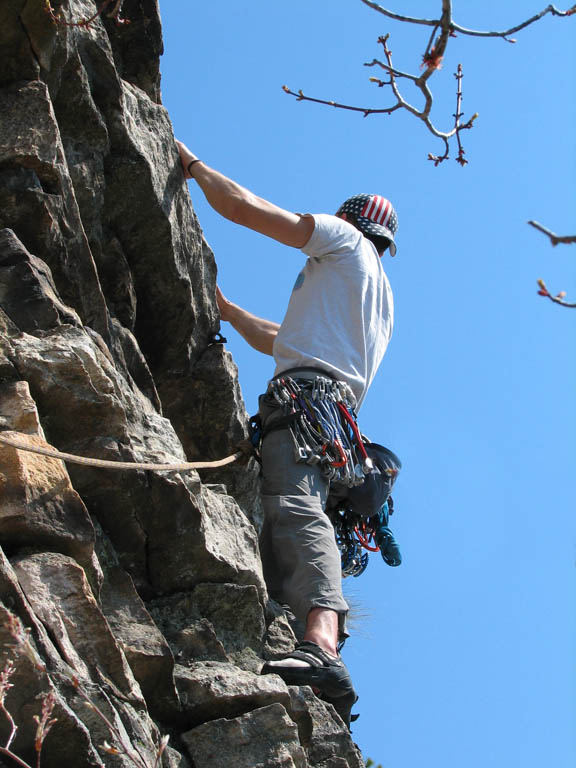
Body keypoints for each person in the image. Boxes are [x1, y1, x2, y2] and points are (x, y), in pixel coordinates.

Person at [176, 140, 398, 727]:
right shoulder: (376, 294)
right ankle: (302, 638)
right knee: (288, 515)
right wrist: (225, 309)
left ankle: (321, 645)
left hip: (307, 407)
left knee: (297, 511)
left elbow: (247, 208)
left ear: (351, 223)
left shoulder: (343, 243)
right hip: (330, 416)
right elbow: (283, 340)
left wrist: (191, 165)